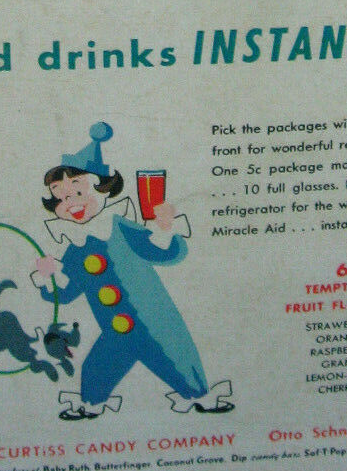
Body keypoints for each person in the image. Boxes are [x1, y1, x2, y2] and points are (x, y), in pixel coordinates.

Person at [32, 121, 233, 420]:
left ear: (102, 188)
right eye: (60, 197)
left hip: (155, 325)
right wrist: (49, 274)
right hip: (116, 333)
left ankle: (201, 396)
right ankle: (91, 404)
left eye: (78, 190)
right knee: (96, 369)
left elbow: (164, 253)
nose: (70, 202)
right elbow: (67, 293)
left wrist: (164, 227)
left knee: (179, 362)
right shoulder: (75, 249)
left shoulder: (120, 229)